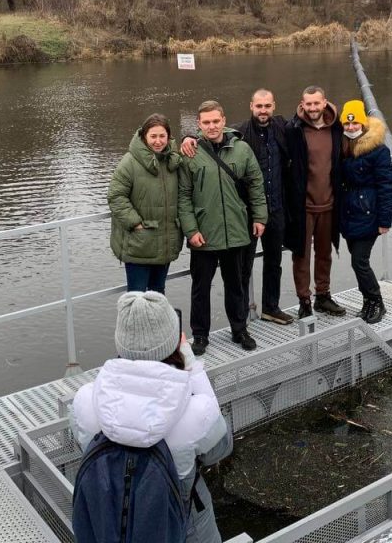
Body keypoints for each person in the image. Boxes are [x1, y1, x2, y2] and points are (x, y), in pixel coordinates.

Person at [71, 291, 232, 543]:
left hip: (106, 525)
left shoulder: (85, 400)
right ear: (174, 342)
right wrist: (194, 368)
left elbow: (84, 445)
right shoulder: (196, 412)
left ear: (120, 342)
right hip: (185, 529)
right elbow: (221, 448)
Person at [180, 89, 294, 325]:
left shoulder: (282, 128)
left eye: (267, 106)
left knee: (274, 262)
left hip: (275, 208)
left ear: (274, 106)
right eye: (259, 106)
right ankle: (240, 319)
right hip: (243, 214)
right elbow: (210, 133)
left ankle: (271, 307)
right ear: (251, 106)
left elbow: (305, 123)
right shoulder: (239, 132)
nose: (263, 110)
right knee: (242, 269)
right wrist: (187, 136)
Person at [178, 100, 268, 355]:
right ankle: (200, 335)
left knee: (236, 285)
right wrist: (191, 230)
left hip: (237, 230)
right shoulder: (190, 153)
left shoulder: (242, 150)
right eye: (206, 122)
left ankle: (239, 330)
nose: (212, 126)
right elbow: (183, 197)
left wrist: (259, 217)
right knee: (200, 288)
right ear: (199, 124)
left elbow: (255, 185)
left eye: (216, 121)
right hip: (204, 234)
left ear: (223, 120)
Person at [286, 86, 346, 318]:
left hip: (329, 203)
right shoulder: (293, 129)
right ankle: (304, 300)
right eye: (308, 104)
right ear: (302, 104)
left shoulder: (337, 128)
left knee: (325, 254)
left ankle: (323, 296)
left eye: (316, 103)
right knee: (301, 255)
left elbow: (360, 135)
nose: (312, 108)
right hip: (302, 206)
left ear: (324, 103)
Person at [107, 114, 183, 293]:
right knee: (137, 298)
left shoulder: (173, 160)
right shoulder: (130, 162)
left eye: (162, 136)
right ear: (144, 137)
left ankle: (157, 322)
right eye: (153, 136)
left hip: (164, 243)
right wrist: (135, 223)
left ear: (169, 136)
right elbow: (115, 196)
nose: (158, 141)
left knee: (158, 294)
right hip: (138, 245)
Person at [338, 100, 392, 323]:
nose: (351, 128)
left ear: (362, 124)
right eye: (347, 124)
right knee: (358, 260)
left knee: (359, 262)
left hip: (369, 214)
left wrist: (385, 220)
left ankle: (377, 302)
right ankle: (368, 302)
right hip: (349, 214)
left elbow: (386, 186)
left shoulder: (378, 151)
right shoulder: (343, 148)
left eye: (355, 124)